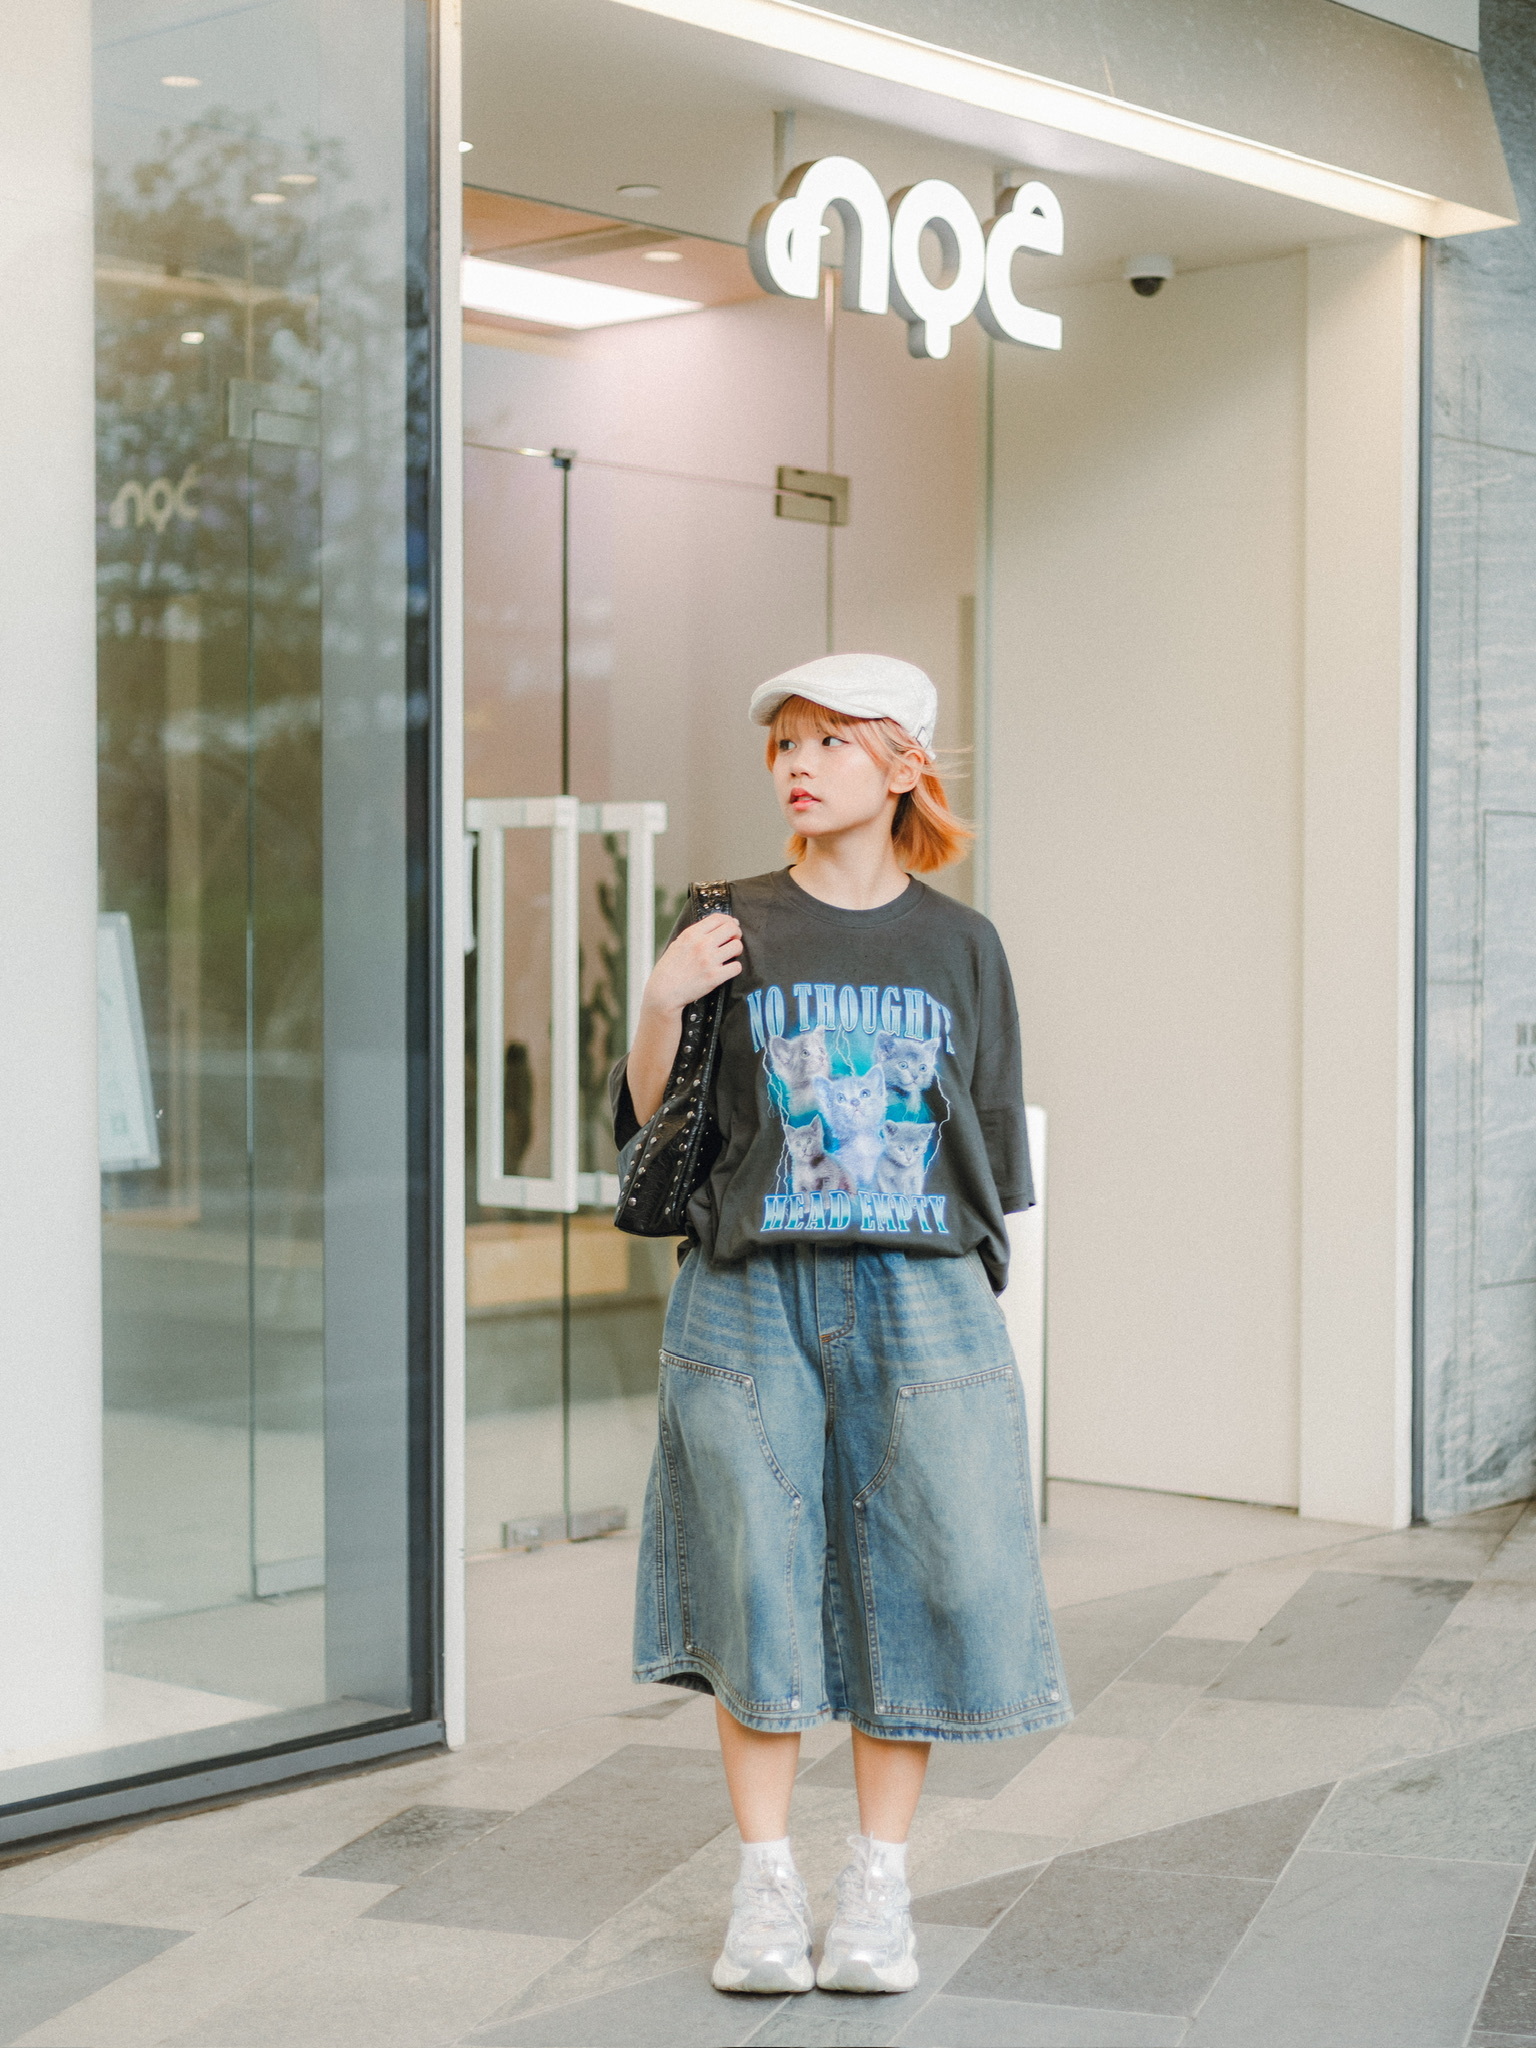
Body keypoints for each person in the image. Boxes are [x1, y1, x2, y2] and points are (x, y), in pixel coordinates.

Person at [611, 651, 1071, 1998]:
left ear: (903, 764)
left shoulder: (963, 944)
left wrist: (967, 1288)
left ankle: (878, 1887)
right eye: (785, 745)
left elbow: (990, 1145)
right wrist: (663, 997)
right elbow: (654, 1124)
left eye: (830, 741)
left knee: (918, 1577)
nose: (797, 766)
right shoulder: (729, 921)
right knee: (753, 1577)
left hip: (917, 1293)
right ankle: (764, 1890)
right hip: (751, 1291)